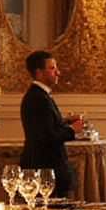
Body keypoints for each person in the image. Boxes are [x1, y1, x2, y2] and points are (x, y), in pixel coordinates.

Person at [20, 50, 82, 198]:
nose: (58, 72)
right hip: (45, 170)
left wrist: (63, 122)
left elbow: (45, 125)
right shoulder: (38, 98)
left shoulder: (40, 95)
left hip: (46, 168)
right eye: (52, 68)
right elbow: (47, 136)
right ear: (39, 72)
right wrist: (72, 130)